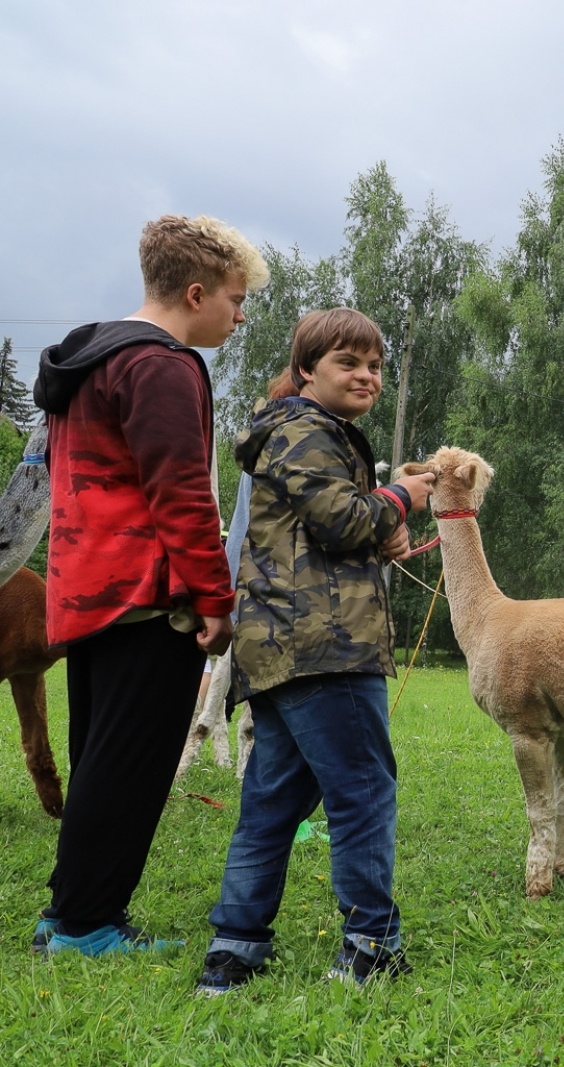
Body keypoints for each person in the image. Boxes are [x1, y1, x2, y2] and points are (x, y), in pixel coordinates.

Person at [31, 215, 267, 956]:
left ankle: (68, 910)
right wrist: (214, 599)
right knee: (130, 764)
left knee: (101, 754)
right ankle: (84, 924)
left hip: (81, 590)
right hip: (144, 596)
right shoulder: (163, 365)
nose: (239, 315)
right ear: (195, 292)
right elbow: (182, 492)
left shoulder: (90, 359)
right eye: (235, 299)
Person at [195, 308, 435, 994]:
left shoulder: (299, 434)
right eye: (348, 362)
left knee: (271, 801)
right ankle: (370, 944)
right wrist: (401, 496)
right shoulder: (304, 431)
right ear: (305, 371)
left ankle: (235, 946)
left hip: (277, 647)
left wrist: (377, 523)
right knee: (361, 794)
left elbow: (331, 527)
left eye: (375, 365)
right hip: (327, 647)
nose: (367, 375)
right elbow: (343, 519)